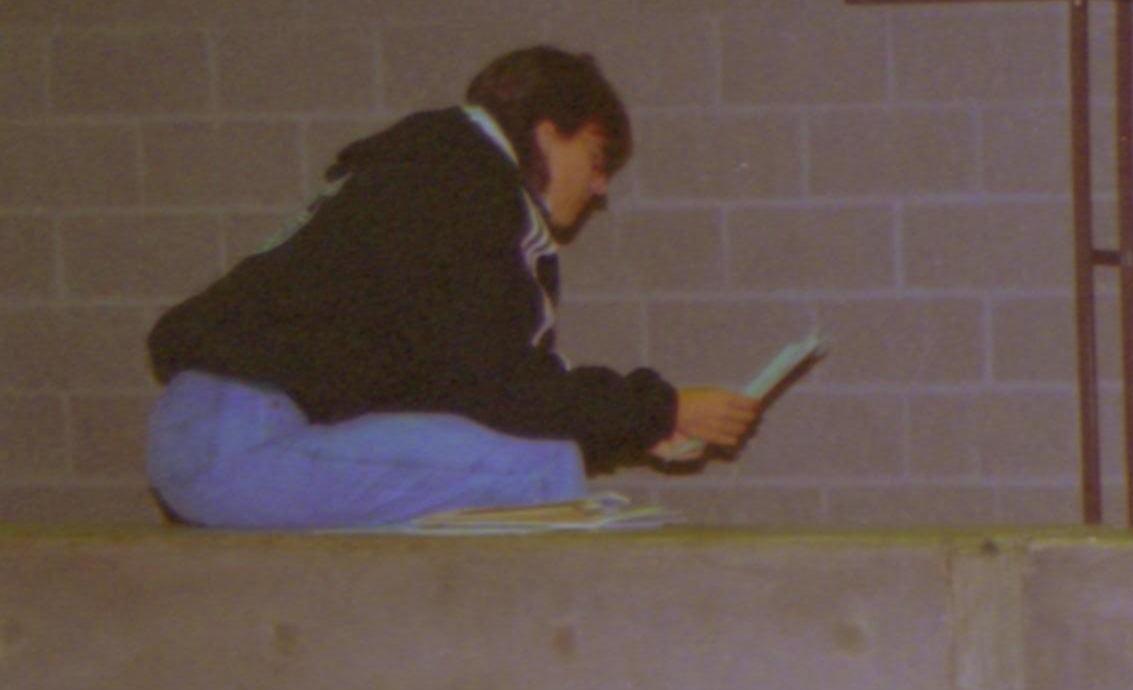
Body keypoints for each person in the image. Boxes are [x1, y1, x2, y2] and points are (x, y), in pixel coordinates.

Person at [143, 45, 763, 528]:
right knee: (539, 469)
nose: (601, 186)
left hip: (227, 435)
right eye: (598, 159)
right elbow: (498, 384)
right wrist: (660, 409)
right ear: (548, 132)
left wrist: (640, 424)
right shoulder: (459, 186)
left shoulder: (433, 173)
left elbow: (464, 387)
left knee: (521, 459)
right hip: (242, 441)